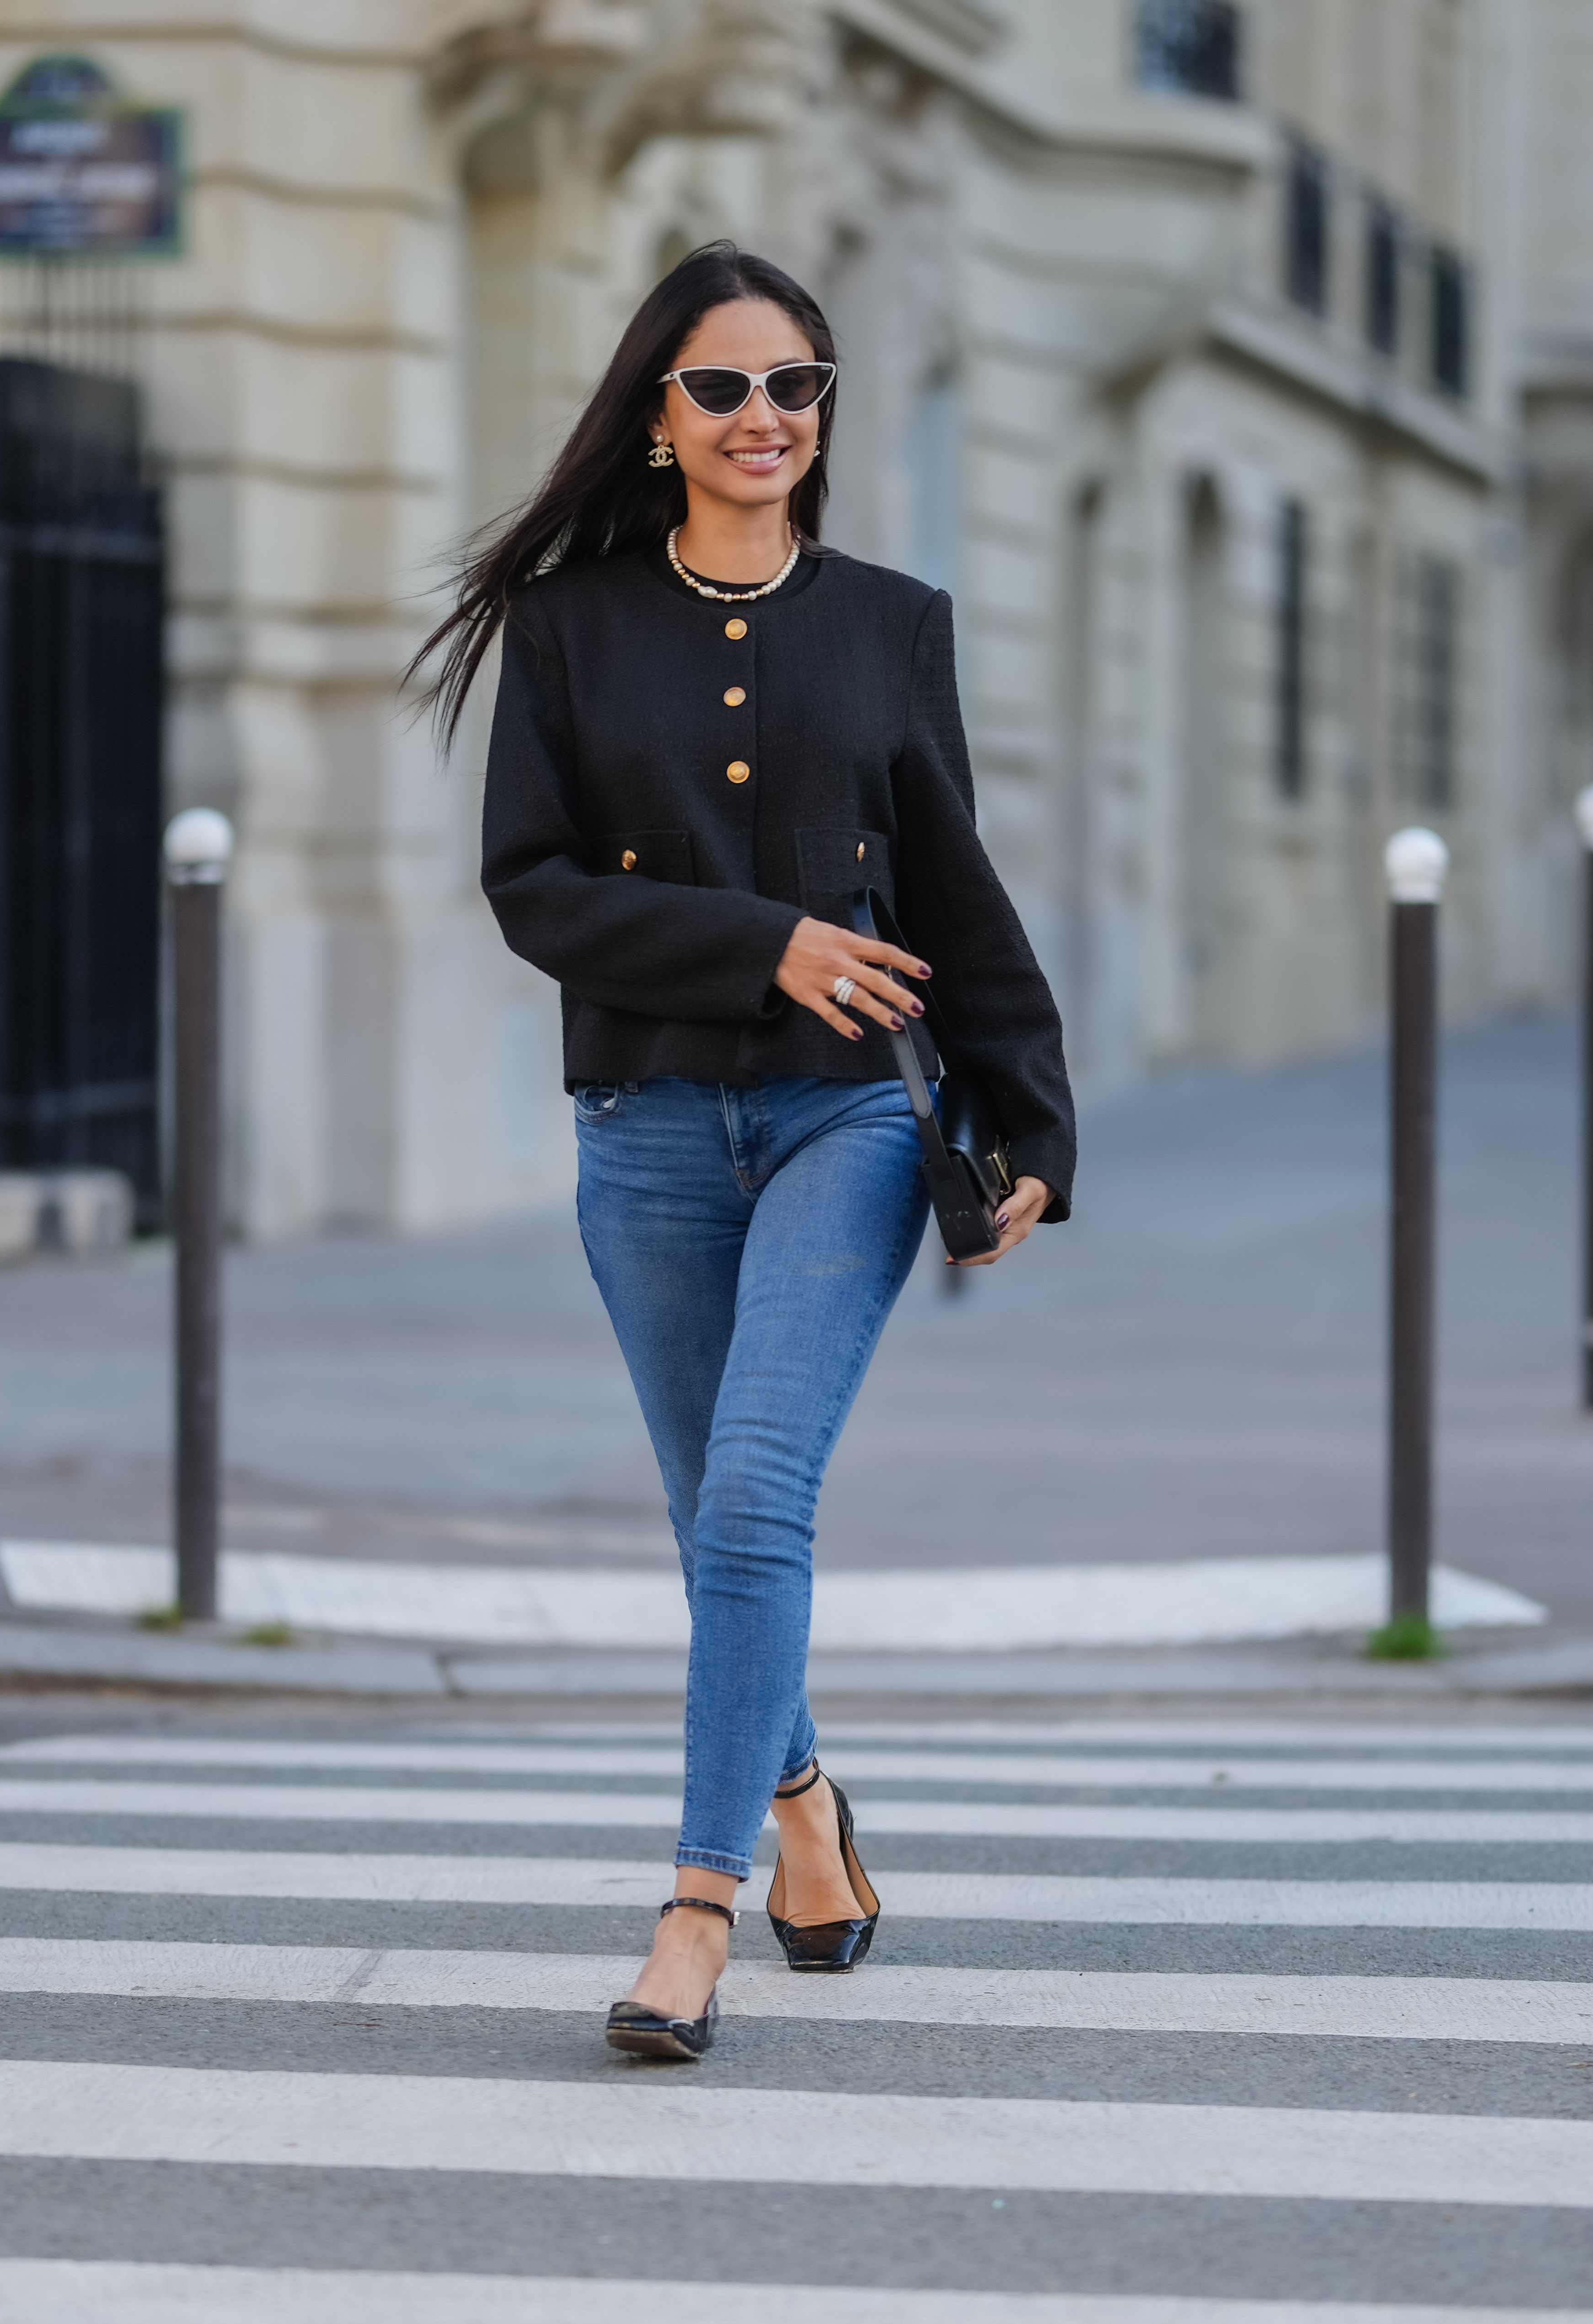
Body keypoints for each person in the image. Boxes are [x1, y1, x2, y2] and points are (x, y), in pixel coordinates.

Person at [414, 241, 1076, 2061]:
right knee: (720, 1528)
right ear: (656, 417)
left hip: (848, 1113)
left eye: (796, 387)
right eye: (725, 387)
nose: (765, 416)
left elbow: (954, 881)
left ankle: (691, 1915)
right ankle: (807, 1819)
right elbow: (528, 891)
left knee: (758, 1501)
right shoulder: (565, 627)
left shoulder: (895, 620)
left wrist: (1028, 1117)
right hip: (642, 1125)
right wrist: (758, 939)